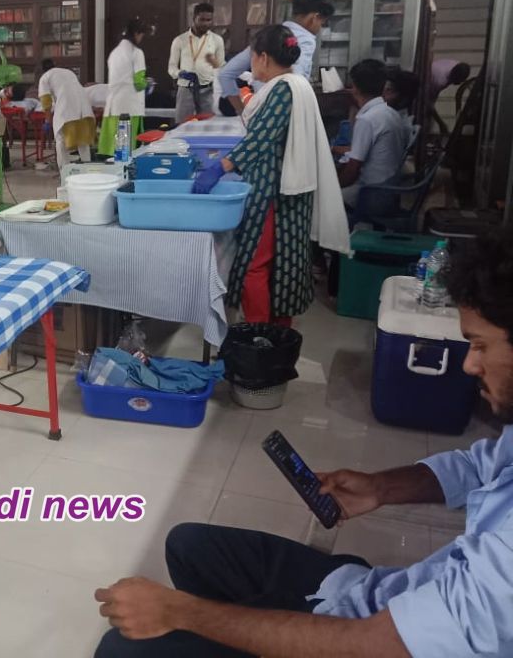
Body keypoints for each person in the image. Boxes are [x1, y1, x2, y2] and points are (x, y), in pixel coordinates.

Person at [95, 224, 513, 658]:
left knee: (120, 650)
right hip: (376, 596)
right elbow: (476, 468)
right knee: (189, 545)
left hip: (368, 641)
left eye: (481, 346)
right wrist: (380, 487)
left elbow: (375, 646)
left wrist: (182, 613)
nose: (469, 365)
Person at [191, 24, 349, 325]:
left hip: (273, 194)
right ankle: (276, 331)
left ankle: (258, 334)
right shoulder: (294, 85)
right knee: (282, 267)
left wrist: (219, 168)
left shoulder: (283, 89)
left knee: (254, 264)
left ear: (263, 57)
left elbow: (259, 139)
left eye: (252, 57)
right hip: (289, 190)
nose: (251, 64)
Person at [218, 0, 336, 115]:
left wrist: (242, 111)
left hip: (260, 111)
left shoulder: (266, 37)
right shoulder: (305, 40)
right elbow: (295, 83)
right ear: (314, 18)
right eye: (322, 23)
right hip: (288, 113)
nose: (320, 28)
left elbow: (225, 74)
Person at [337, 59, 407, 209]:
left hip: (373, 193)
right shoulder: (390, 113)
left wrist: (333, 187)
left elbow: (352, 170)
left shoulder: (367, 119)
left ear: (354, 88)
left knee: (321, 199)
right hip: (390, 188)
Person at [168, 3, 225, 122]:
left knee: (208, 125)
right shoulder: (180, 40)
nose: (206, 23)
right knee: (182, 124)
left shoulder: (217, 40)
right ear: (194, 18)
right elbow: (171, 68)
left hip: (207, 90)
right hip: (186, 89)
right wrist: (180, 74)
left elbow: (220, 66)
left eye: (209, 20)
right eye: (202, 20)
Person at [98, 19, 148, 157]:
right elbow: (139, 82)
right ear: (136, 34)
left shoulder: (114, 53)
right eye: (141, 35)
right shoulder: (136, 52)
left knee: (113, 147)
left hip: (113, 106)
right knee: (127, 148)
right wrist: (147, 84)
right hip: (129, 106)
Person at [38, 58, 95, 168]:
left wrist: (47, 121)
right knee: (83, 142)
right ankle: (87, 170)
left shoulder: (45, 77)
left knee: (60, 141)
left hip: (66, 109)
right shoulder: (68, 72)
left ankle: (64, 171)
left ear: (42, 69)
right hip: (83, 107)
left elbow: (46, 102)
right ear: (55, 64)